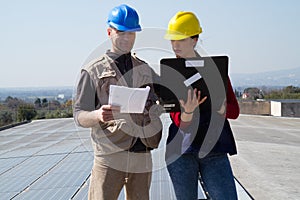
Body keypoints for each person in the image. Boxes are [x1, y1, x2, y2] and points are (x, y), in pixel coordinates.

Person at [73, 4, 162, 200]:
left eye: (131, 33)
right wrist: (97, 115)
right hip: (109, 157)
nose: (126, 38)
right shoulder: (92, 71)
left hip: (142, 154)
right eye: (121, 32)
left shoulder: (145, 69)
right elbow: (79, 115)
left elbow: (161, 101)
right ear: (109, 32)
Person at [164, 11, 240, 200]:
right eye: (172, 40)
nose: (175, 45)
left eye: (180, 40)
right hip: (182, 152)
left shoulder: (216, 71)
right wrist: (187, 113)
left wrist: (222, 111)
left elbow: (234, 110)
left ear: (195, 39)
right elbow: (177, 120)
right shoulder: (171, 74)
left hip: (215, 148)